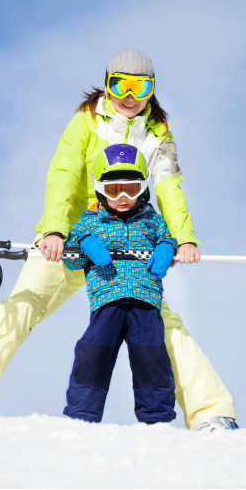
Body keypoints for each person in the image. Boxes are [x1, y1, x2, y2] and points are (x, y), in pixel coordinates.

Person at [0, 48, 238, 431]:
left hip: (126, 254)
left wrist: (184, 239)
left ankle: (213, 414)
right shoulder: (87, 122)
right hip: (74, 243)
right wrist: (54, 230)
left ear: (152, 89)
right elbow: (63, 172)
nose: (130, 95)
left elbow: (169, 188)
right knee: (23, 305)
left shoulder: (159, 135)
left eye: (140, 86)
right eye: (120, 85)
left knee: (164, 325)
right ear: (108, 84)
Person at [62, 143, 178, 424]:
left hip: (145, 300)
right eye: (114, 190)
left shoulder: (151, 219)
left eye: (132, 188)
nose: (124, 197)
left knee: (151, 356)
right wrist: (85, 243)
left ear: (144, 187)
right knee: (93, 352)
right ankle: (81, 415)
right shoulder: (89, 222)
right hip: (107, 299)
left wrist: (167, 247)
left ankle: (157, 418)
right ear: (100, 189)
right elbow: (71, 259)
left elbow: (167, 238)